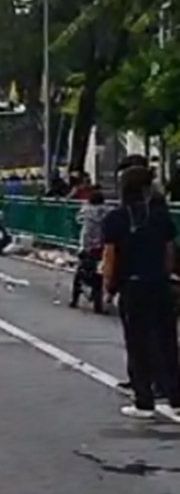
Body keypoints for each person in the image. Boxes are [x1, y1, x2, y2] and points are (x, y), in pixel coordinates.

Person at [103, 160, 180, 418]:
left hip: (133, 286)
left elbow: (110, 256)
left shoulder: (116, 218)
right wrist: (165, 276)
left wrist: (108, 287)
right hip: (160, 285)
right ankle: (176, 397)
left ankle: (144, 401)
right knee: (167, 341)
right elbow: (169, 252)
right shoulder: (160, 217)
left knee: (137, 344)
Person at [72, 188, 109, 314]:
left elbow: (77, 220)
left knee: (80, 272)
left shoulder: (85, 210)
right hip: (101, 246)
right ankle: (98, 302)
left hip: (86, 245)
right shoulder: (108, 211)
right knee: (99, 275)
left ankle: (75, 299)